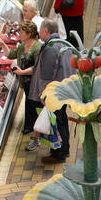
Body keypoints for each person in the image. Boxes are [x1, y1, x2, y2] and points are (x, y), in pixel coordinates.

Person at [29, 18, 75, 164]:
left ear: (45, 30)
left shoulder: (50, 48)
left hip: (54, 93)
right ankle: (64, 149)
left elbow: (46, 75)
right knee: (61, 119)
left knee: (57, 121)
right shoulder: (62, 43)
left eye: (40, 29)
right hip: (63, 89)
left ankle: (58, 153)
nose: (39, 32)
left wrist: (44, 94)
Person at [8, 21, 43, 150]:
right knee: (29, 105)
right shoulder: (22, 46)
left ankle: (37, 135)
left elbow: (37, 67)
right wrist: (1, 43)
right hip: (26, 84)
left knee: (35, 107)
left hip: (35, 84)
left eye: (22, 32)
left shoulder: (37, 47)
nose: (20, 34)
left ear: (29, 34)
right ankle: (32, 129)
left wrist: (22, 72)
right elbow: (10, 54)